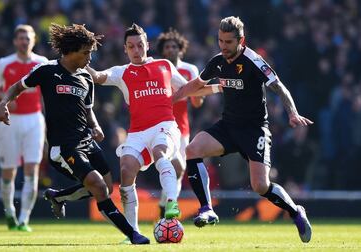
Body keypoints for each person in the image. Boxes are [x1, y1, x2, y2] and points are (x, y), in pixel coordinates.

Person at [0, 23, 150, 244]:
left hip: (86, 140)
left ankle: (58, 196)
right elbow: (17, 87)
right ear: (71, 51)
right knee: (97, 186)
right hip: (63, 147)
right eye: (86, 53)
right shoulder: (47, 70)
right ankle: (133, 235)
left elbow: (87, 109)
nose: (90, 58)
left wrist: (95, 126)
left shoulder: (86, 77)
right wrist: (3, 103)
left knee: (105, 186)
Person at [173, 16, 313, 243]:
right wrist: (173, 98)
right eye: (220, 41)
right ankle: (207, 208)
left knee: (260, 186)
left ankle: (296, 212)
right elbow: (197, 85)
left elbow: (279, 87)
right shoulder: (217, 61)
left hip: (255, 130)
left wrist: (292, 113)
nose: (223, 46)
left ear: (241, 40)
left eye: (228, 42)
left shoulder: (254, 61)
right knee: (193, 149)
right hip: (228, 126)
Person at [86, 23, 221, 235]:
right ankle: (133, 231)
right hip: (138, 133)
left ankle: (170, 204)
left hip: (165, 126)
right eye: (131, 47)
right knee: (126, 170)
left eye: (140, 45)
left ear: (147, 45)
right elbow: (98, 77)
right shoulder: (122, 72)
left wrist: (219, 87)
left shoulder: (164, 66)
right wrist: (80, 61)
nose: (136, 50)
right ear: (125, 49)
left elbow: (189, 88)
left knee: (160, 153)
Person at [0, 24, 47, 232]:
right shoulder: (4, 63)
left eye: (28, 38)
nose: (24, 41)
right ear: (15, 41)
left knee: (32, 169)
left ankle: (24, 220)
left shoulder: (42, 63)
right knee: (8, 172)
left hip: (34, 120)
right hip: (9, 122)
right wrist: (5, 100)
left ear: (33, 40)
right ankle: (10, 214)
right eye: (21, 38)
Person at [156, 28, 203, 217]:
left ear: (180, 49)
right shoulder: (158, 68)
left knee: (178, 170)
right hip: (159, 126)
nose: (170, 50)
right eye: (167, 47)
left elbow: (197, 102)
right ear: (163, 50)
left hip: (182, 129)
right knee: (169, 168)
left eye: (174, 46)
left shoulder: (189, 69)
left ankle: (165, 205)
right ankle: (168, 205)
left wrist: (197, 95)